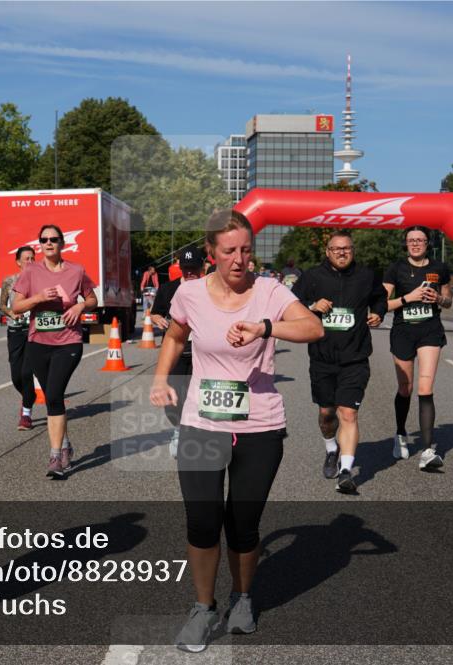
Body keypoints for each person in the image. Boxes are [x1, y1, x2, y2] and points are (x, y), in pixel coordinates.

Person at [150, 210, 322, 653]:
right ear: (211, 253)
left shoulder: (269, 291)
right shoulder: (189, 294)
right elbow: (174, 336)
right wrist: (159, 378)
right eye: (230, 251)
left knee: (242, 525)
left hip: (259, 424)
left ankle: (243, 595)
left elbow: (313, 327)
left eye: (246, 249)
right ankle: (204, 607)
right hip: (202, 422)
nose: (240, 259)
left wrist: (267, 327)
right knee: (203, 521)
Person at [291, 230, 387, 493]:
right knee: (327, 414)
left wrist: (378, 313)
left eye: (346, 248)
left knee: (349, 412)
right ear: (327, 252)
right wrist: (311, 306)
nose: (342, 253)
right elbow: (291, 304)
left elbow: (380, 298)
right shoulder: (312, 276)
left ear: (353, 250)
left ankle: (346, 470)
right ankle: (331, 447)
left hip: (355, 357)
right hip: (322, 358)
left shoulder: (366, 276)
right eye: (336, 249)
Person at [12, 224, 98, 478]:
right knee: (52, 397)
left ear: (62, 243)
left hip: (68, 342)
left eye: (54, 239)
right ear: (40, 244)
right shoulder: (30, 271)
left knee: (55, 394)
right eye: (44, 239)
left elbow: (92, 298)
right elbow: (16, 307)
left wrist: (80, 307)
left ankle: (55, 456)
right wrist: (37, 298)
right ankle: (66, 444)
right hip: (39, 343)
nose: (49, 243)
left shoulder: (76, 270)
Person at [382, 226, 453, 469]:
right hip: (402, 332)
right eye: (411, 240)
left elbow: (449, 299)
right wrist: (407, 299)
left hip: (430, 330)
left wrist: (439, 299)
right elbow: (382, 304)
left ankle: (427, 451)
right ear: (406, 244)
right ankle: (400, 434)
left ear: (427, 243)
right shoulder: (395, 268)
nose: (415, 244)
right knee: (406, 388)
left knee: (425, 387)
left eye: (420, 240)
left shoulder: (439, 268)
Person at [149, 247, 205, 457]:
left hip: (201, 350)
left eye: (194, 269)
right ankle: (178, 428)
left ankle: (195, 433)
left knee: (198, 394)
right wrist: (157, 319)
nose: (190, 273)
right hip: (175, 349)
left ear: (203, 267)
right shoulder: (167, 289)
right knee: (173, 396)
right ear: (180, 268)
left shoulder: (211, 289)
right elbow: (155, 313)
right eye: (186, 268)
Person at [0, 247, 37, 430]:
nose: (30, 262)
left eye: (32, 258)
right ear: (18, 262)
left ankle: (26, 414)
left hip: (33, 332)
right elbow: (2, 305)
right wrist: (12, 314)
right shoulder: (9, 281)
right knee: (16, 377)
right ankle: (29, 396)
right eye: (26, 259)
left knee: (26, 373)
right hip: (15, 332)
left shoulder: (39, 281)